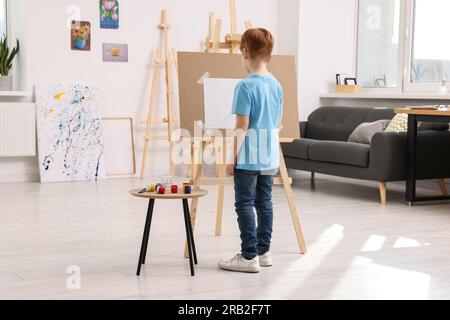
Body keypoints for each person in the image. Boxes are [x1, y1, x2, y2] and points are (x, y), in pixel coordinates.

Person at [218, 28, 283, 273]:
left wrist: (231, 157)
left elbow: (241, 127)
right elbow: (277, 123)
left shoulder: (245, 87)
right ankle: (264, 252)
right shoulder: (277, 85)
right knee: (264, 203)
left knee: (244, 204)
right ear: (270, 55)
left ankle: (248, 256)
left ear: (245, 52)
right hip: (269, 156)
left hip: (248, 158)